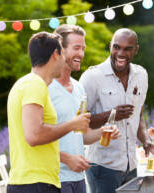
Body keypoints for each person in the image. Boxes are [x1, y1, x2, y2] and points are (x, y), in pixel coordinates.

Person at [7, 32, 90, 193]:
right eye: (63, 54)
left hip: (33, 182)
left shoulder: (26, 83)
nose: (64, 60)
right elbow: (34, 135)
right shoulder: (35, 84)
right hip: (35, 184)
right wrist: (72, 124)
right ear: (55, 54)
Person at [79, 28, 154, 193]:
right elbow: (79, 122)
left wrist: (145, 141)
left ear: (136, 49)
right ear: (110, 47)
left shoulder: (141, 75)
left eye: (127, 48)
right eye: (116, 47)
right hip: (102, 167)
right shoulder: (92, 77)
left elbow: (138, 115)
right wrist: (111, 114)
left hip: (131, 166)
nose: (121, 53)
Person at [48, 25, 120, 193]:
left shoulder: (79, 88)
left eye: (83, 48)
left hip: (79, 179)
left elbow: (83, 136)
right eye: (76, 48)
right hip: (54, 180)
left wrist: (103, 131)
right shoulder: (45, 87)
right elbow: (36, 138)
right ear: (59, 49)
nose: (81, 54)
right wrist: (66, 159)